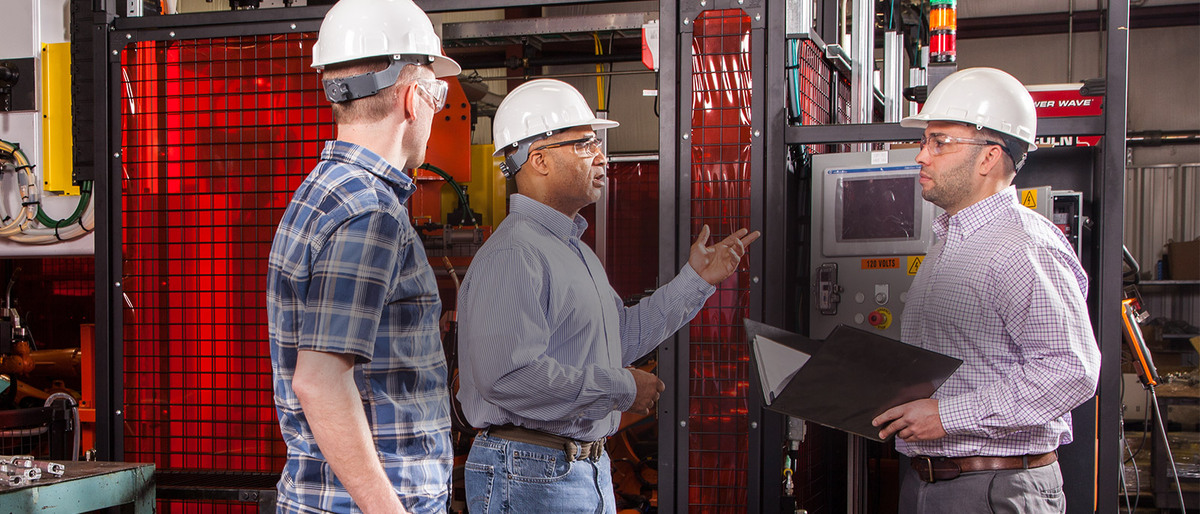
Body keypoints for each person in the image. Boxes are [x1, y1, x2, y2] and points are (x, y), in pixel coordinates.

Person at [455, 78, 761, 513]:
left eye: (598, 143)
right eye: (584, 144)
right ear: (538, 159)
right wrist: (620, 387)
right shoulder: (514, 254)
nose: (602, 157)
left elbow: (617, 338)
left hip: (574, 469)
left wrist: (696, 281)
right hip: (530, 471)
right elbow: (507, 377)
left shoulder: (574, 250)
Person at [870, 67, 1101, 513]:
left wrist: (946, 416)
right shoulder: (948, 243)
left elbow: (1071, 369)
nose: (922, 156)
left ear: (989, 157)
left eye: (940, 142)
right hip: (930, 483)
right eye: (924, 141)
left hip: (994, 487)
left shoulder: (1022, 244)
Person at [265, 0, 460, 512]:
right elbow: (320, 381)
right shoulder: (370, 212)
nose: (435, 113)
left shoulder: (322, 191)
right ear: (414, 98)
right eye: (438, 95)